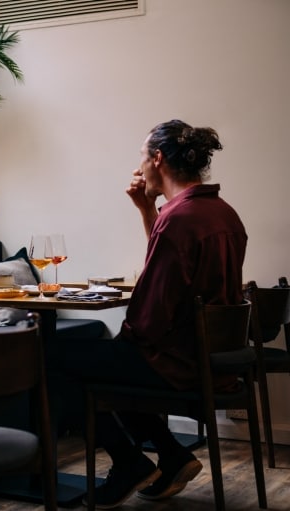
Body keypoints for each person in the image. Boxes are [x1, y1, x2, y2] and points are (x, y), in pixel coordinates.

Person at [47, 119, 247, 509]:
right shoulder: (222, 213)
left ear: (158, 159)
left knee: (53, 357)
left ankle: (128, 463)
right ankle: (170, 456)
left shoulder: (179, 219)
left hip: (177, 363)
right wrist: (146, 209)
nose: (138, 169)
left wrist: (125, 338)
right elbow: (177, 275)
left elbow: (150, 317)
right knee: (105, 358)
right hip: (209, 360)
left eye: (142, 158)